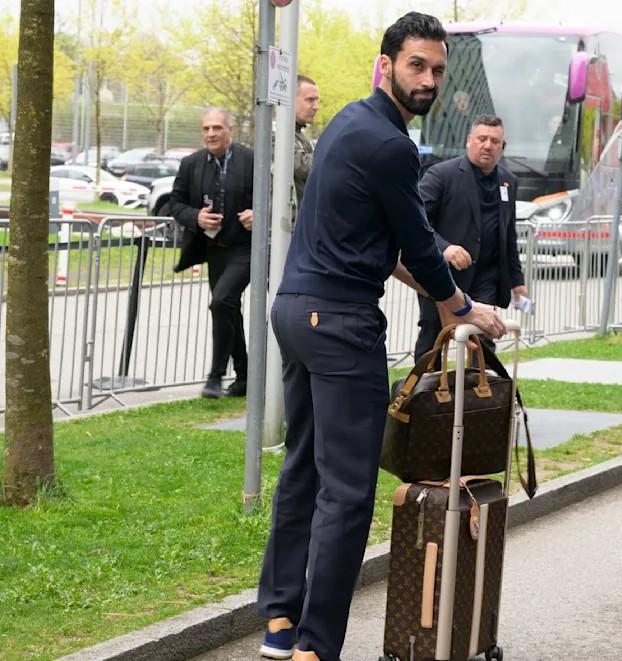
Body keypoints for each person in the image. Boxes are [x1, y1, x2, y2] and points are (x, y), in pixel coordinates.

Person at [255, 13, 505, 661]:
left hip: (296, 311)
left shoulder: (346, 122)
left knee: (303, 467)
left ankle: (279, 620)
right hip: (341, 326)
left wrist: (445, 299)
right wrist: (463, 308)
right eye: (417, 65)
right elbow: (419, 246)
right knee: (346, 491)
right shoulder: (394, 146)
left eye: (438, 70)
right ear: (386, 64)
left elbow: (382, 246)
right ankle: (315, 646)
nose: (428, 80)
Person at [413, 114, 527, 360]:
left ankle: (479, 384)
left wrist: (517, 281)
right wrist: (445, 248)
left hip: (486, 278)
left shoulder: (508, 181)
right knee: (434, 338)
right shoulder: (441, 175)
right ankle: (426, 384)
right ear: (469, 141)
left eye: (494, 141)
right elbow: (415, 221)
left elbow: (508, 234)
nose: (487, 145)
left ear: (502, 146)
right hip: (443, 276)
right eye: (481, 139)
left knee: (483, 337)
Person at [169, 107, 254, 399]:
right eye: (206, 128)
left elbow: (272, 195)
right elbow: (175, 203)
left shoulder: (250, 159)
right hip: (214, 249)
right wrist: (196, 217)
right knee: (228, 307)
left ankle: (215, 376)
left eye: (217, 128)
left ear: (230, 130)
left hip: (245, 248)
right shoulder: (191, 164)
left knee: (220, 301)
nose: (211, 134)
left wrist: (257, 213)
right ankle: (244, 377)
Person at [293, 75, 320, 212]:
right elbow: (300, 166)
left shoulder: (299, 135)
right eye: (310, 100)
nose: (316, 107)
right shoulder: (277, 134)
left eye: (317, 100)